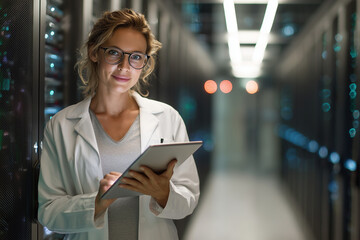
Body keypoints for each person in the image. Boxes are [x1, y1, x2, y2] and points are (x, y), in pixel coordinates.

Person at [37, 8, 200, 240]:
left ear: (144, 63)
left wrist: (163, 193)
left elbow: (189, 200)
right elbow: (48, 212)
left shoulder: (167, 118)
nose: (125, 66)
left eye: (136, 57)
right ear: (94, 52)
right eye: (114, 53)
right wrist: (96, 203)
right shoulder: (62, 125)